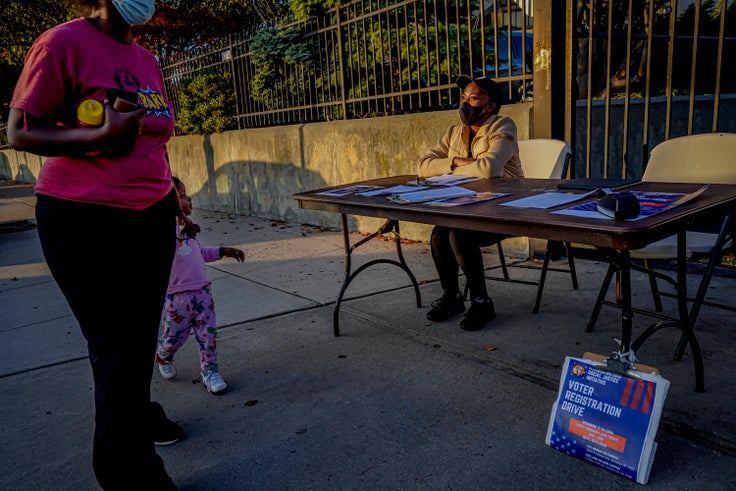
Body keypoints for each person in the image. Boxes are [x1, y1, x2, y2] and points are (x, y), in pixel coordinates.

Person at [6, 0, 188, 488]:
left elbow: (154, 137)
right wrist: (99, 136)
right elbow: (19, 131)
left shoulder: (147, 60)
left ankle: (138, 412)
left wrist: (172, 185)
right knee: (115, 348)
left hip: (151, 216)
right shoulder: (61, 43)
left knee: (138, 340)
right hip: (82, 219)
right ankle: (128, 471)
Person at [417, 75, 523, 332]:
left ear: (491, 106)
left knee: (459, 235)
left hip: (503, 209)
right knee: (439, 234)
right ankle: (452, 297)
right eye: (463, 97)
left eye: (473, 98)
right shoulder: (454, 132)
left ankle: (481, 302)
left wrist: (447, 166)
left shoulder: (502, 126)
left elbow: (488, 168)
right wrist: (456, 161)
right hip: (465, 205)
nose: (465, 103)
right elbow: (422, 166)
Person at [156, 177, 245, 395]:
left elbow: (201, 254)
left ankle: (210, 370)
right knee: (174, 338)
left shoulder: (190, 234)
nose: (189, 198)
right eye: (183, 195)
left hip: (202, 294)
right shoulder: (163, 234)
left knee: (208, 334)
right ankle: (163, 355)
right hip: (176, 298)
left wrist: (224, 251)